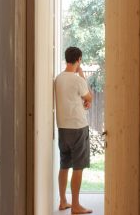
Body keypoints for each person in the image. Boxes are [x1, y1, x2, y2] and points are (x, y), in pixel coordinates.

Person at [55, 47, 93, 214]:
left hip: (62, 128)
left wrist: (83, 101)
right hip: (78, 127)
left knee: (64, 165)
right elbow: (89, 97)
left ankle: (63, 201)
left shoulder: (58, 79)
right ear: (78, 60)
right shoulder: (78, 80)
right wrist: (82, 73)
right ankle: (76, 206)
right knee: (78, 167)